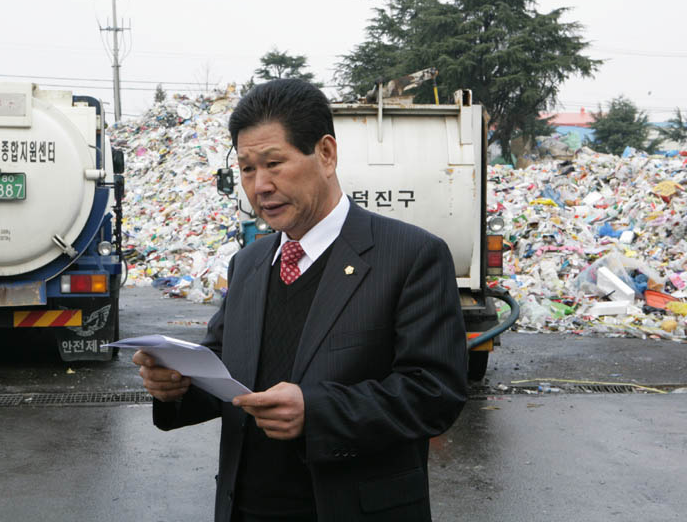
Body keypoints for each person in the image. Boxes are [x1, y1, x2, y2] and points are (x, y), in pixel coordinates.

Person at [134, 79, 467, 522]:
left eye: (274, 163)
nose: (260, 186)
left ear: (326, 154)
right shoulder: (250, 264)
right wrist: (177, 385)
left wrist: (317, 411)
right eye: (247, 169)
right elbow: (223, 369)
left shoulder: (409, 256)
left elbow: (435, 393)